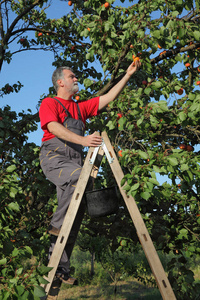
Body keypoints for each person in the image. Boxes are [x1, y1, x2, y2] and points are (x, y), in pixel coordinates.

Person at [39, 60, 141, 285]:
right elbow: (53, 127)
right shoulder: (50, 102)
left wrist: (127, 75)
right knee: (79, 178)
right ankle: (56, 226)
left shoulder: (79, 107)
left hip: (74, 160)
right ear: (60, 82)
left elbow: (108, 98)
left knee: (76, 212)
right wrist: (83, 140)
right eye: (72, 76)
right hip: (54, 156)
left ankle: (59, 268)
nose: (76, 79)